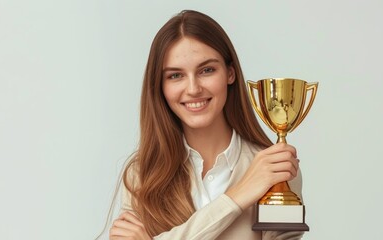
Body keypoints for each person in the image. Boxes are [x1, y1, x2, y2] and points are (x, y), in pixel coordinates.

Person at [101, 10, 304, 240]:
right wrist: (238, 197)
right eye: (175, 76)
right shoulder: (142, 174)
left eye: (206, 70)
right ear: (160, 86)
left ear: (230, 73)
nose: (193, 88)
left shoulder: (276, 170)